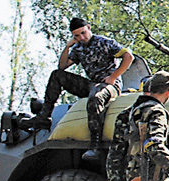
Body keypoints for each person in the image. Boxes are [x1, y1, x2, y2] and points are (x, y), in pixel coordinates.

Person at [24, 17, 134, 162]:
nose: (81, 37)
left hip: (109, 85)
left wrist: (113, 77)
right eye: (77, 35)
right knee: (57, 76)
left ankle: (95, 145)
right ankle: (44, 116)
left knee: (96, 97)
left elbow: (128, 56)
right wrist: (68, 47)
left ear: (88, 27)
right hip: (91, 84)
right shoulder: (78, 48)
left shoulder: (104, 42)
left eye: (83, 33)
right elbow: (62, 66)